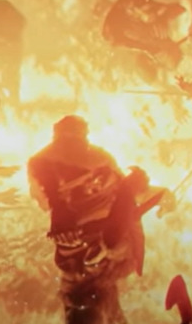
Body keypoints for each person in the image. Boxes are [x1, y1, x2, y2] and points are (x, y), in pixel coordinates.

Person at [27, 115, 175, 324]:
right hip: (90, 250)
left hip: (88, 252)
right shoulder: (86, 160)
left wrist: (153, 193)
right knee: (89, 302)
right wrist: (146, 192)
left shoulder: (47, 162)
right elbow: (125, 194)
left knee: (99, 301)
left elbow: (125, 193)